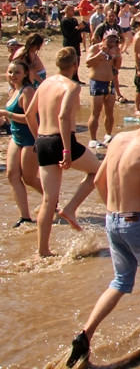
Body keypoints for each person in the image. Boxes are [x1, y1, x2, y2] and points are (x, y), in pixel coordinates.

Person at [64, 102, 140, 369]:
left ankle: (85, 335)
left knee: (120, 281)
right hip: (138, 222)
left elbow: (97, 180)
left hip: (113, 220)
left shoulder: (118, 139)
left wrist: (113, 210)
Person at [25, 47, 102, 257]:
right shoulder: (72, 86)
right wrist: (67, 150)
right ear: (75, 65)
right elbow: (63, 116)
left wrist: (36, 138)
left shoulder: (45, 83)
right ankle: (70, 209)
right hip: (61, 141)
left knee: (48, 200)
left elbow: (29, 114)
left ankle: (43, 251)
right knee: (98, 171)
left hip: (42, 140)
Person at [3, 59, 41, 228]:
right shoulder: (13, 90)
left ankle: (52, 199)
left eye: (17, 72)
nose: (13, 76)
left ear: (25, 74)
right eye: (10, 72)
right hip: (16, 137)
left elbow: (29, 117)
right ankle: (24, 217)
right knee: (11, 175)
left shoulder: (28, 91)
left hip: (30, 138)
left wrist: (6, 114)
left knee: (30, 178)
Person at [86, 31, 123, 149]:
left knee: (109, 111)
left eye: (114, 41)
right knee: (95, 112)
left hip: (109, 83)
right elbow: (88, 63)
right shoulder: (95, 48)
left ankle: (108, 135)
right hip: (97, 82)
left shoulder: (115, 50)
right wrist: (101, 53)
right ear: (104, 40)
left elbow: (117, 67)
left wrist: (117, 55)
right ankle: (93, 139)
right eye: (110, 40)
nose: (112, 43)